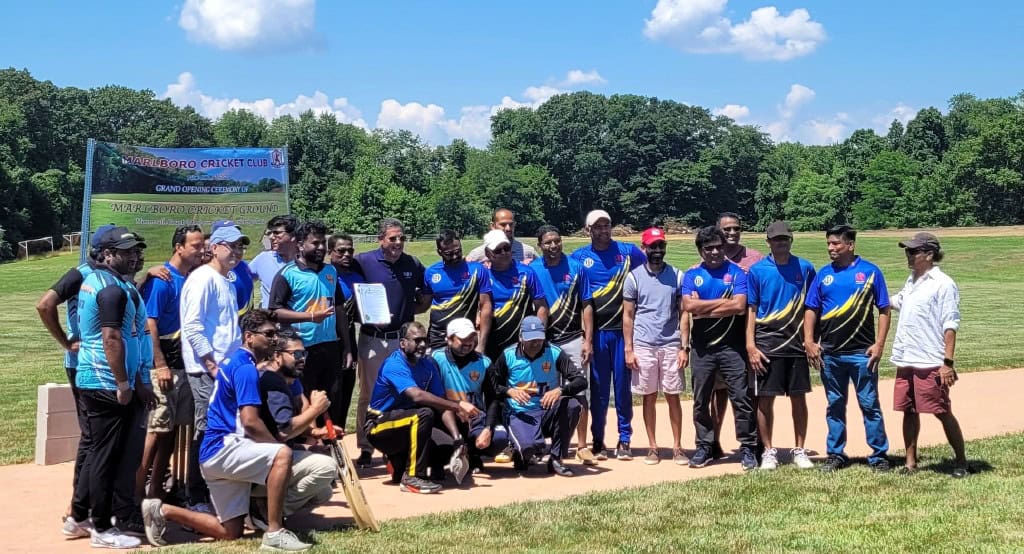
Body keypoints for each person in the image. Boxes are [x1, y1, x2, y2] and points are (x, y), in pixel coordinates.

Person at [140, 310, 313, 551]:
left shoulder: (235, 361)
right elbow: (250, 422)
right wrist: (278, 447)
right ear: (249, 337)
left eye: (275, 333)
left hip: (214, 453)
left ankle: (161, 510)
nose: (274, 339)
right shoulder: (246, 369)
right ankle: (274, 532)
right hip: (226, 448)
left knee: (230, 531)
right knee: (282, 454)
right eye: (269, 333)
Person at [69, 227, 155, 549]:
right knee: (106, 458)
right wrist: (124, 383)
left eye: (135, 250)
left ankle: (77, 518)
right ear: (106, 255)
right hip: (107, 383)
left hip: (101, 380)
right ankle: (102, 528)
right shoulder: (111, 291)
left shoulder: (109, 284)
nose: (133, 256)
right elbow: (112, 338)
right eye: (125, 251)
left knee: (97, 454)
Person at [36, 223, 116, 535]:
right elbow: (44, 305)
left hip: (94, 364)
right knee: (91, 438)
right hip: (82, 362)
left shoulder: (108, 276)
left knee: (92, 437)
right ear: (103, 250)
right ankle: (77, 508)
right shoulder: (80, 273)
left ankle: (81, 506)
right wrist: (66, 341)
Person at [804, 225, 892, 473]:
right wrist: (809, 341)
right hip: (830, 354)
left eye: (836, 244)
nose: (831, 248)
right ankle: (835, 454)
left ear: (850, 245)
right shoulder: (823, 275)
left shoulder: (870, 272)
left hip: (862, 353)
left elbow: (884, 309)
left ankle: (878, 455)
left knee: (869, 404)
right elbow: (811, 309)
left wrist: (879, 344)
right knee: (834, 404)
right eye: (829, 244)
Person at [179, 223, 248, 514]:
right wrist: (210, 364)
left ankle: (219, 492)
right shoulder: (202, 279)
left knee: (226, 429)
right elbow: (192, 327)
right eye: (231, 245)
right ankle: (196, 496)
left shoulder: (226, 280)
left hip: (226, 369)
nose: (237, 251)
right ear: (214, 247)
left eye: (241, 246)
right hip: (207, 370)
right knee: (207, 429)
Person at [364, 322, 479, 493]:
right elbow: (417, 395)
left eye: (425, 340)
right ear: (403, 343)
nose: (423, 345)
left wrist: (457, 439)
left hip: (407, 422)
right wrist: (458, 405)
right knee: (424, 414)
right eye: (417, 340)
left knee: (449, 439)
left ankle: (399, 463)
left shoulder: (428, 365)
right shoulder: (394, 364)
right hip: (379, 426)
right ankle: (412, 478)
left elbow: (440, 402)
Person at [136, 225, 205, 506]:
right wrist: (160, 363)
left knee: (174, 431)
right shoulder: (162, 280)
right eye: (196, 246)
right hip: (164, 365)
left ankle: (157, 492)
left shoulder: (191, 277)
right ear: (179, 247)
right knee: (157, 429)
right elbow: (149, 322)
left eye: (203, 245)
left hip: (184, 364)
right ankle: (136, 493)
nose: (202, 250)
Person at [890, 232, 968, 477]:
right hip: (907, 358)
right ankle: (910, 463)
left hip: (930, 361)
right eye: (907, 251)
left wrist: (947, 363)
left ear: (930, 254)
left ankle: (961, 462)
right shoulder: (912, 280)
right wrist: (866, 292)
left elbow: (950, 324)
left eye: (913, 251)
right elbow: (897, 301)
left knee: (941, 411)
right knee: (908, 410)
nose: (908, 255)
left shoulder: (943, 284)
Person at [351, 218, 427, 467]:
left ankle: (394, 445)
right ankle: (365, 446)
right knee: (369, 394)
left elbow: (426, 292)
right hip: (373, 339)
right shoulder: (364, 261)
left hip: (402, 342)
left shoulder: (411, 263)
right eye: (392, 238)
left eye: (401, 238)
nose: (397, 243)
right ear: (380, 239)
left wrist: (412, 308)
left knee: (402, 393)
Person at [571, 209, 646, 461]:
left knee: (623, 390)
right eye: (598, 226)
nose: (603, 230)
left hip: (623, 334)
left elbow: (649, 272)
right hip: (598, 334)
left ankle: (624, 439)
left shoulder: (628, 252)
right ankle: (598, 440)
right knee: (599, 392)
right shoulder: (579, 258)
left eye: (607, 225)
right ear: (588, 230)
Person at [681, 226, 757, 470]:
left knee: (741, 399)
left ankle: (747, 447)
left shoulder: (737, 273)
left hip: (732, 348)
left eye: (718, 247)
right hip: (702, 349)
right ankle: (705, 446)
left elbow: (739, 306)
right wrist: (721, 302)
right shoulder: (693, 275)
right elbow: (689, 307)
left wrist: (704, 306)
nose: (714, 252)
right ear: (700, 251)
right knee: (701, 401)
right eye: (708, 248)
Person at [745, 221, 816, 470]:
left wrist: (811, 340)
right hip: (767, 344)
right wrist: (751, 346)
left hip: (795, 345)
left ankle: (799, 449)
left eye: (785, 239)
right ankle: (768, 451)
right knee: (765, 400)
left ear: (791, 240)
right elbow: (751, 310)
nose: (781, 243)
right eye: (776, 240)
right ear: (768, 242)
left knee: (798, 398)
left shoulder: (805, 268)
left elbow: (812, 307)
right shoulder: (757, 271)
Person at [268, 220, 350, 427]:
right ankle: (310, 448)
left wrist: (347, 347)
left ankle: (334, 447)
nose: (321, 248)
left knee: (333, 400)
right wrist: (311, 317)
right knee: (305, 404)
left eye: (323, 242)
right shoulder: (288, 274)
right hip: (301, 350)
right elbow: (275, 312)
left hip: (330, 346)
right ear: (300, 245)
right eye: (315, 243)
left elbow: (339, 310)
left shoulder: (330, 272)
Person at [483, 316, 587, 476]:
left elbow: (581, 381)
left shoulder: (554, 352)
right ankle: (520, 452)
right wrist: (509, 391)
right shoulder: (508, 355)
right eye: (531, 339)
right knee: (530, 448)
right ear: (521, 338)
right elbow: (492, 386)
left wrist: (560, 390)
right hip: (520, 414)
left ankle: (556, 459)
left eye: (539, 339)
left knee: (572, 405)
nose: (535, 343)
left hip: (546, 411)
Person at [530, 225, 596, 465]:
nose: (553, 246)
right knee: (545, 395)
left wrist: (587, 340)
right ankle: (556, 444)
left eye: (557, 241)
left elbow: (586, 305)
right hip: (544, 344)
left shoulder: (576, 268)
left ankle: (581, 445)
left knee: (578, 393)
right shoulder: (533, 270)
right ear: (540, 246)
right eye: (548, 242)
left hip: (572, 338)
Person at [623, 227, 687, 466]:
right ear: (644, 248)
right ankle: (652, 446)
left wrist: (684, 346)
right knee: (648, 397)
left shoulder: (677, 276)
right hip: (643, 345)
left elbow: (683, 314)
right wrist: (629, 349)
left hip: (671, 344)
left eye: (660, 246)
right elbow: (628, 315)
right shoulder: (634, 277)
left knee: (673, 396)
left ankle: (678, 446)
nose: (657, 251)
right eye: (653, 246)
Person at [709, 212, 764, 459]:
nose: (732, 233)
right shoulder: (710, 256)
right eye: (727, 229)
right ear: (718, 231)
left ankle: (753, 442)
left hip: (748, 335)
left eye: (736, 228)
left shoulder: (755, 259)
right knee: (718, 393)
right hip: (718, 338)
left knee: (749, 391)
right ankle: (713, 442)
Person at [432, 318, 510, 472]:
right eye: (462, 339)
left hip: (475, 419)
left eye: (471, 338)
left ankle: (474, 454)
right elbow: (430, 395)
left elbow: (493, 399)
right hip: (445, 419)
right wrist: (457, 405)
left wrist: (488, 428)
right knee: (438, 448)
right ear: (449, 339)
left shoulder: (484, 362)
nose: (468, 343)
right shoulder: (436, 359)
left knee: (499, 439)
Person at [421, 229, 493, 351]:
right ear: (439, 252)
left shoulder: (477, 270)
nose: (455, 256)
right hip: (438, 336)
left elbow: (486, 306)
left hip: (465, 335)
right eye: (449, 253)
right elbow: (424, 305)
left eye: (458, 251)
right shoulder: (431, 272)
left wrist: (482, 343)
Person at [482, 229, 548, 359]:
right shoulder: (482, 274)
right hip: (492, 345)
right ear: (488, 253)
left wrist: (537, 336)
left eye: (507, 248)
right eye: (498, 250)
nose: (504, 253)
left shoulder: (526, 272)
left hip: (522, 345)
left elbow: (541, 307)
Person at [328, 233, 363, 431]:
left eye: (350, 250)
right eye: (341, 251)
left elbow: (359, 313)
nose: (347, 254)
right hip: (326, 341)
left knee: (346, 391)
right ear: (329, 252)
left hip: (348, 340)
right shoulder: (325, 275)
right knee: (329, 394)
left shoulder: (358, 278)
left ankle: (339, 437)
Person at [250, 215, 299, 309]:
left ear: (293, 236)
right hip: (270, 321)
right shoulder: (263, 259)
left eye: (277, 233)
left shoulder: (307, 262)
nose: (271, 237)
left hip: (300, 321)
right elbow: (242, 281)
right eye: (270, 233)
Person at [211, 220, 256, 317]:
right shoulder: (204, 273)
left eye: (239, 245)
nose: (237, 251)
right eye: (231, 245)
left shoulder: (243, 266)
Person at [465, 208, 538, 265]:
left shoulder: (528, 252)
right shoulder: (478, 254)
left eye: (511, 224)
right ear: (493, 226)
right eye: (503, 224)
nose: (508, 228)